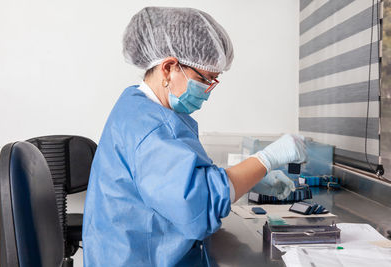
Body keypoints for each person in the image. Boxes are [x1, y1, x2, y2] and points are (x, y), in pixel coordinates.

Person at [82, 6, 307, 266]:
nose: (209, 90)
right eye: (206, 79)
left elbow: (178, 180)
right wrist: (267, 158)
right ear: (169, 68)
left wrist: (249, 179)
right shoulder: (151, 128)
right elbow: (199, 205)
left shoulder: (141, 108)